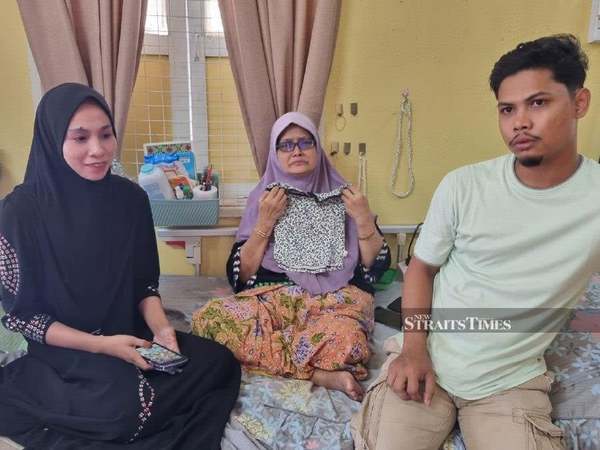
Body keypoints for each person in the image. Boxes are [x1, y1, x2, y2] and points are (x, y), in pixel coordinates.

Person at [352, 34, 600, 450]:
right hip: (429, 355)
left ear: (579, 103)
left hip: (511, 380)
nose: (520, 122)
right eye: (507, 109)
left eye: (538, 103)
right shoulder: (464, 186)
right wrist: (413, 347)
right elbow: (421, 268)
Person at [0, 83, 240, 450]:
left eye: (105, 134)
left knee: (220, 363)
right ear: (52, 140)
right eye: (80, 138)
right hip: (67, 350)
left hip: (130, 335)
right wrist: (103, 346)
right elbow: (24, 317)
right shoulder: (20, 212)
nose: (97, 150)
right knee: (128, 409)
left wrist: (162, 331)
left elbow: (145, 286)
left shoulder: (131, 199)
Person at [192, 112, 391, 401]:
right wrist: (264, 224)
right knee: (209, 319)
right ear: (275, 153)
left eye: (304, 142)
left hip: (334, 302)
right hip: (275, 300)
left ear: (317, 148)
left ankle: (277, 360)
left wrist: (363, 220)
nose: (296, 150)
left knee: (350, 343)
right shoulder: (263, 199)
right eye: (286, 145)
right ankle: (316, 373)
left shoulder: (348, 196)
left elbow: (375, 267)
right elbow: (242, 276)